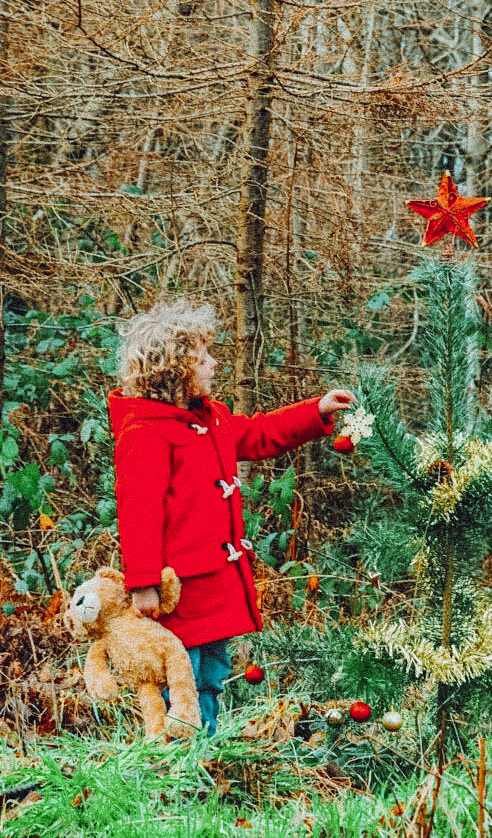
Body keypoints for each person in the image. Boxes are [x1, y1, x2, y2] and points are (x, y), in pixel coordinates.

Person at [108, 299, 353, 735]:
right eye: (204, 358)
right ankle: (178, 763)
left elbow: (258, 434)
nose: (214, 365)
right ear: (176, 369)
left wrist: (315, 411)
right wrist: (142, 582)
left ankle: (208, 751)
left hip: (214, 588)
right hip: (176, 591)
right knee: (180, 679)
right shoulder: (144, 434)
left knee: (212, 675)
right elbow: (137, 512)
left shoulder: (213, 419)